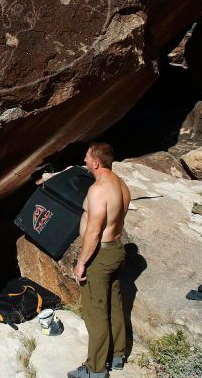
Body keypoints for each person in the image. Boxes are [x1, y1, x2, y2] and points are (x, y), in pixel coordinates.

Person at [68, 142, 130, 378]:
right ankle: (117, 356)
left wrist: (81, 262)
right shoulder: (121, 185)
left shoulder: (98, 189)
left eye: (86, 157)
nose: (84, 160)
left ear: (95, 162)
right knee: (114, 304)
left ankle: (94, 368)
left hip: (100, 255)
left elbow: (94, 233)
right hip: (116, 249)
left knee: (96, 312)